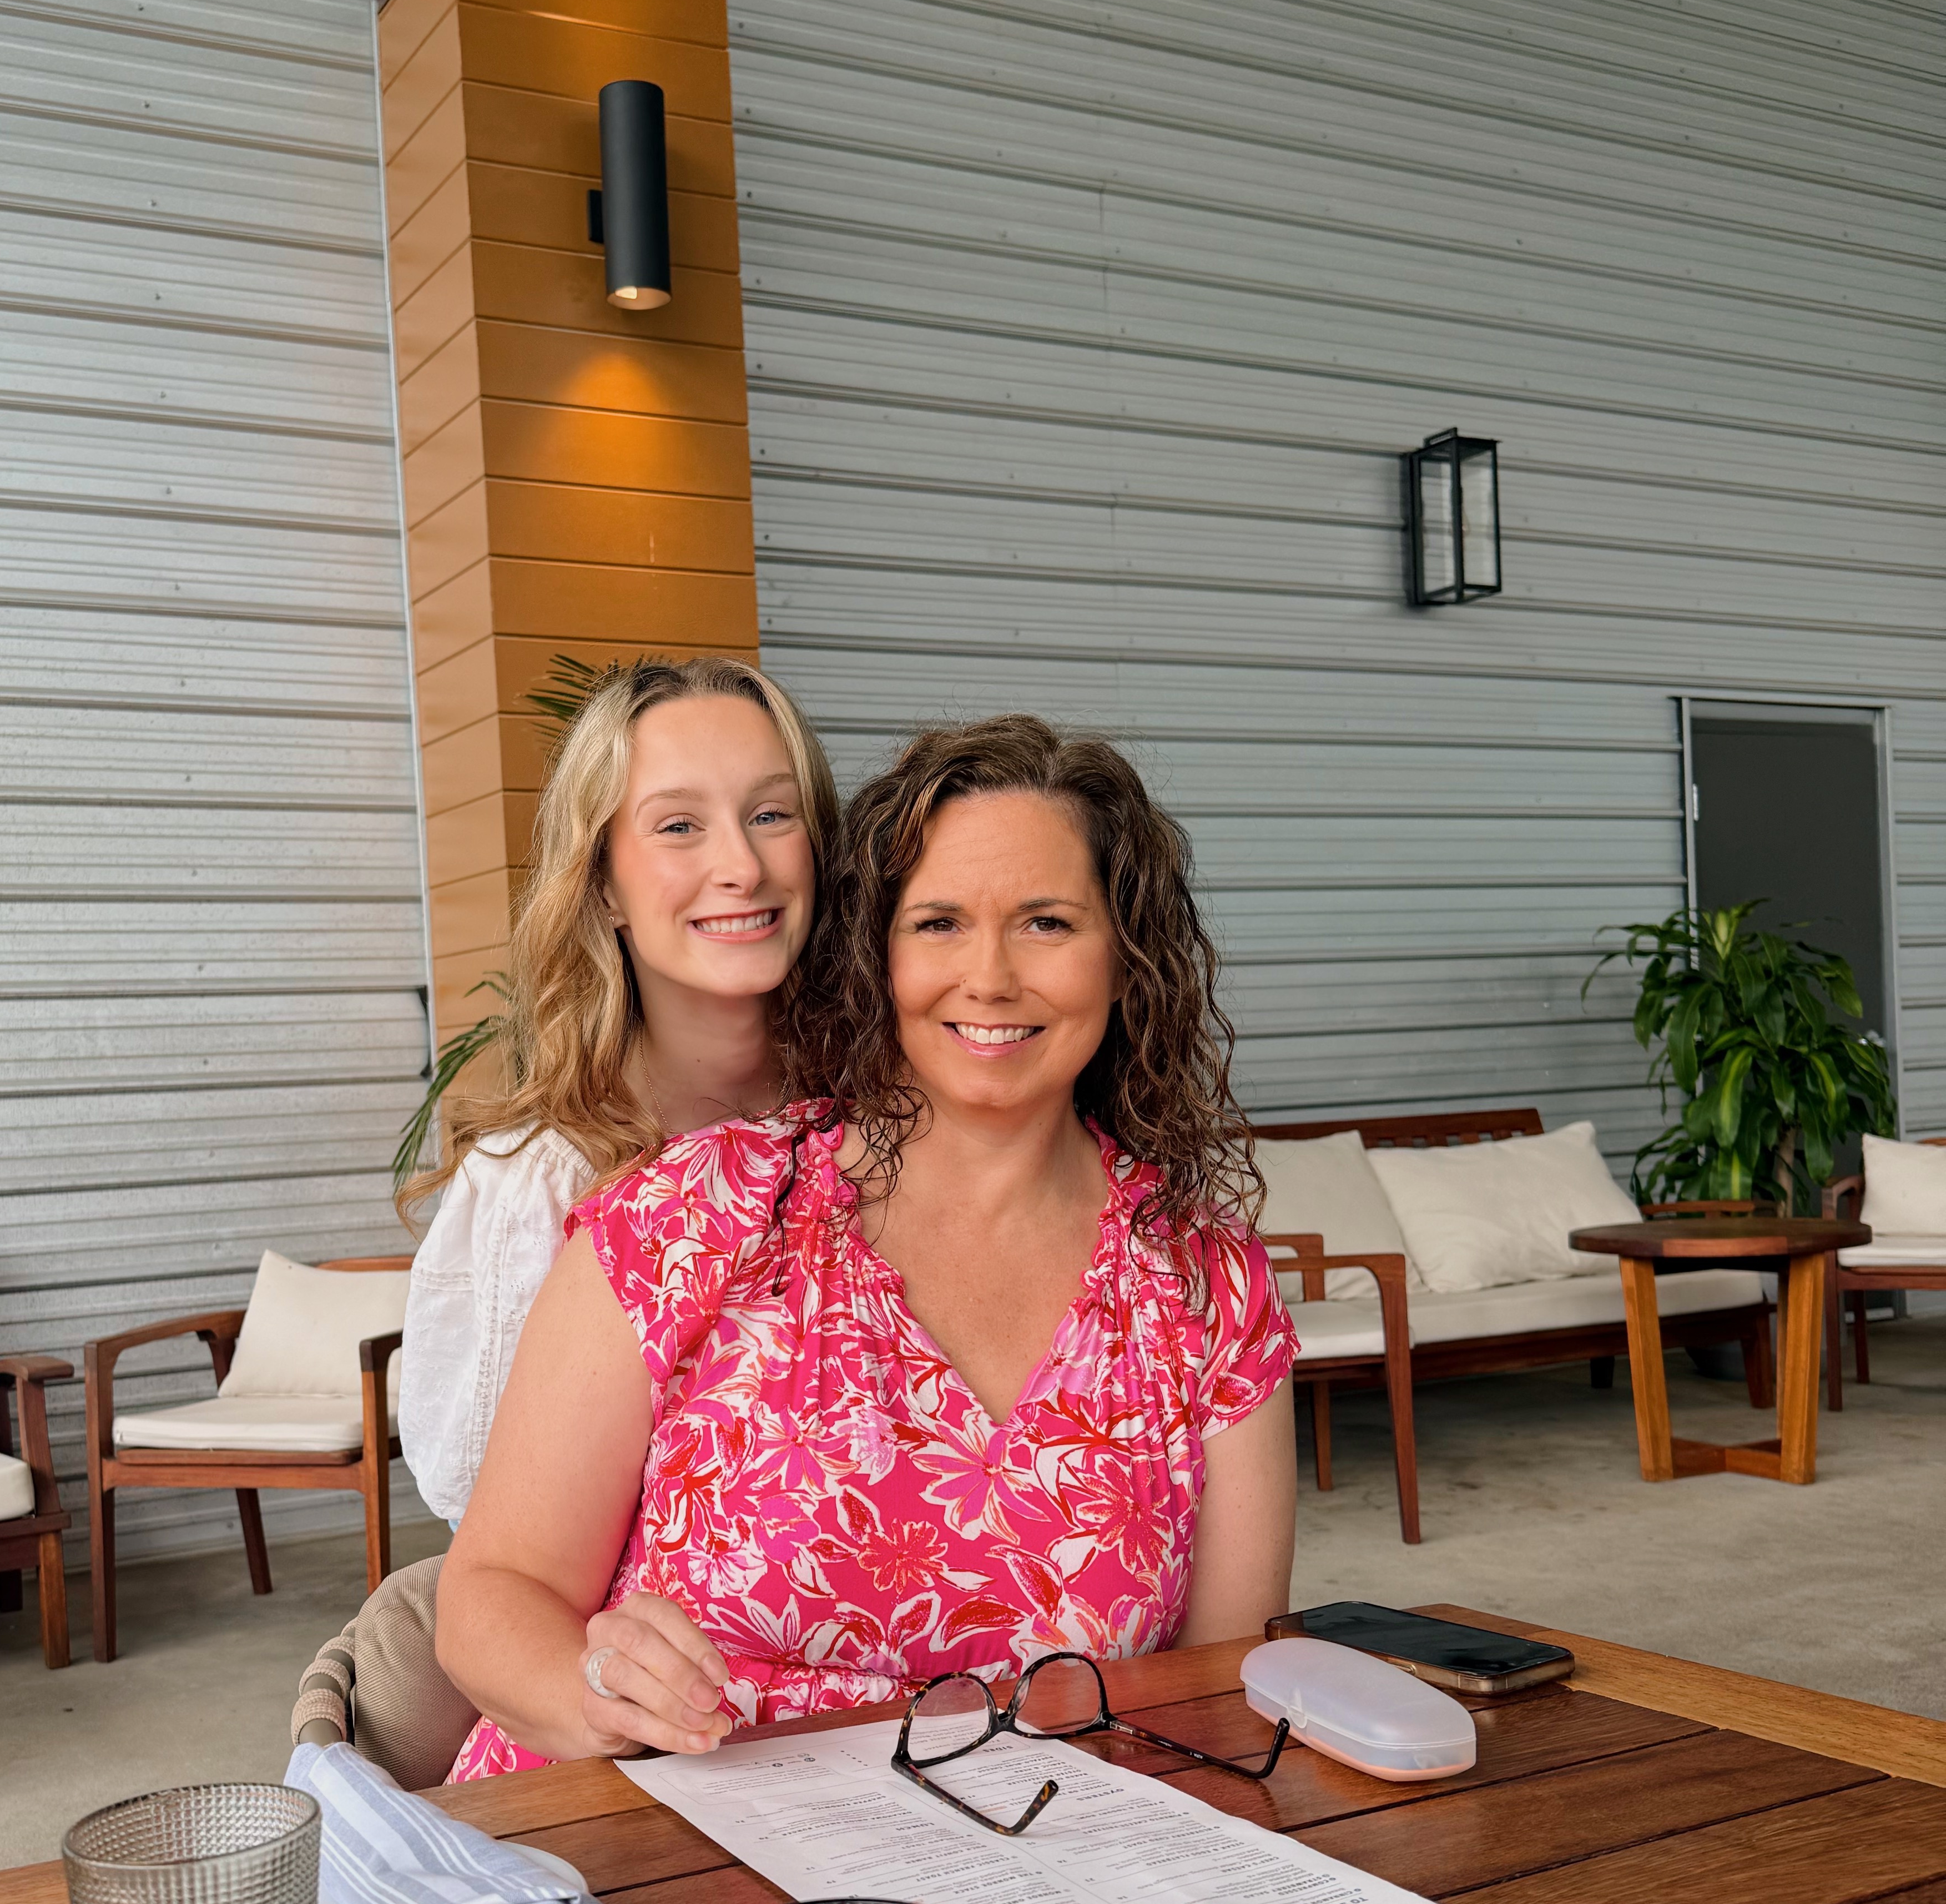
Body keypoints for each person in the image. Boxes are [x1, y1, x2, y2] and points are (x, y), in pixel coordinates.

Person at [437, 714, 1297, 1774]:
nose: (990, 976)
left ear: (1128, 962)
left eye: (1046, 923)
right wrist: (598, 1695)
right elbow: (492, 1595)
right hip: (648, 1818)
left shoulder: (1206, 1283)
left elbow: (1217, 1693)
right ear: (875, 956)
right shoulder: (693, 1214)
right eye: (938, 923)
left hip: (1031, 1845)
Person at [291, 653, 840, 1780]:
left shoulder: (891, 1124)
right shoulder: (539, 1181)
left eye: (771, 814)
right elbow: (498, 1546)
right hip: (646, 1723)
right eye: (678, 827)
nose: (740, 865)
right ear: (603, 884)